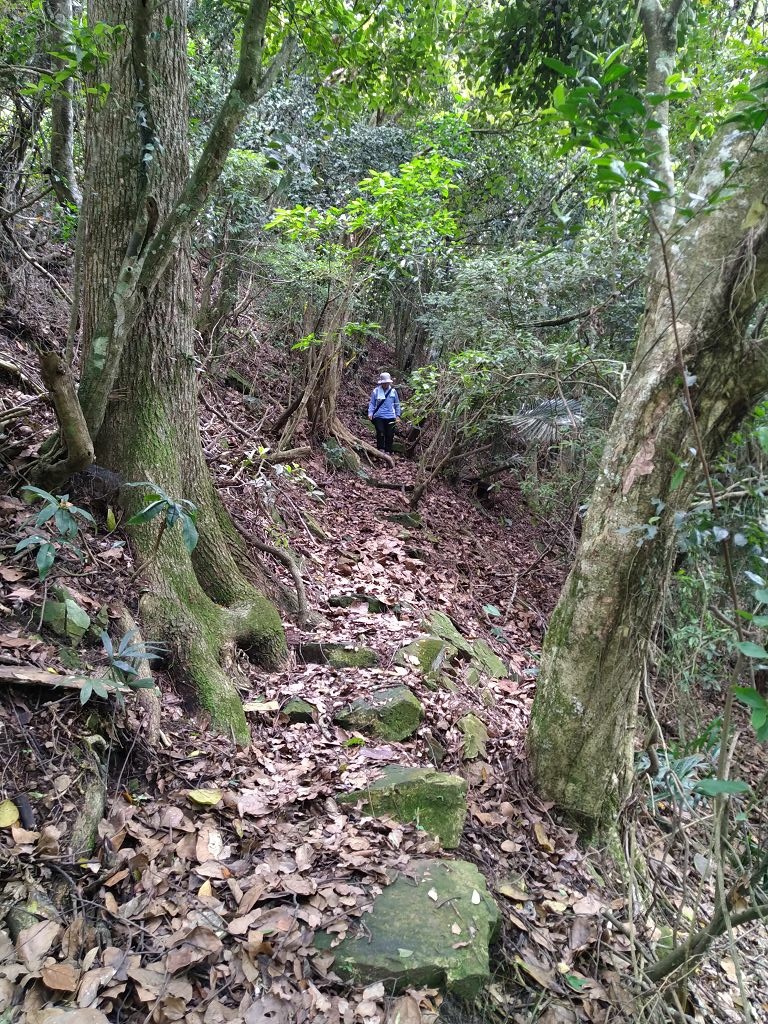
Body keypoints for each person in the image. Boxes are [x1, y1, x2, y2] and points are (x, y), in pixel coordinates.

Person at [368, 372, 401, 454]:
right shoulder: (376, 391)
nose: (386, 384)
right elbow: (372, 403)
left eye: (387, 383)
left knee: (390, 434)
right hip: (378, 415)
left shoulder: (393, 391)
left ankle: (388, 450)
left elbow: (397, 404)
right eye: (384, 383)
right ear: (381, 383)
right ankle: (380, 448)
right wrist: (370, 413)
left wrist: (398, 415)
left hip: (390, 416)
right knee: (380, 431)